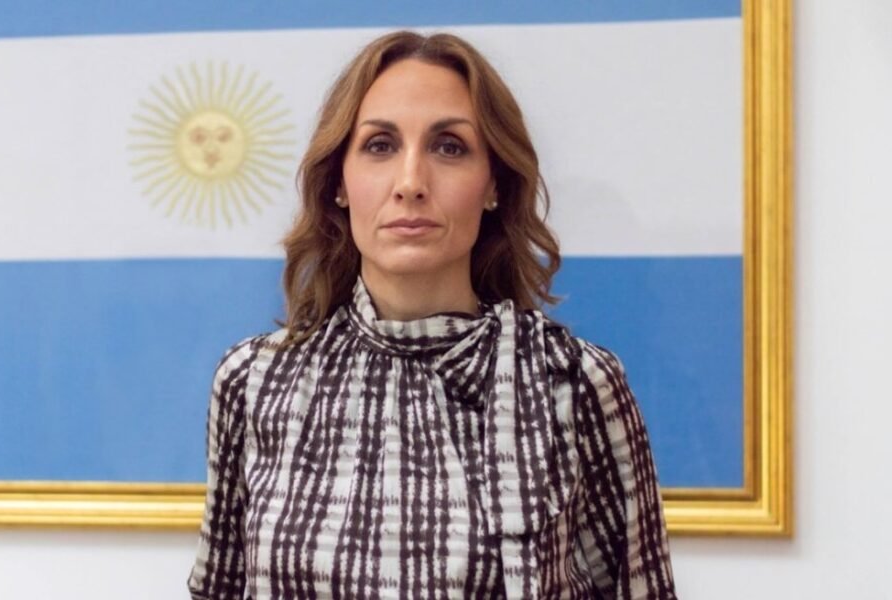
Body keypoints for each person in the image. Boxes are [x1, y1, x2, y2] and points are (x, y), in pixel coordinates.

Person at [188, 30, 676, 600]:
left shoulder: (573, 382)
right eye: (379, 146)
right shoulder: (255, 380)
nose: (411, 184)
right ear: (339, 182)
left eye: (449, 147)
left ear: (494, 185)